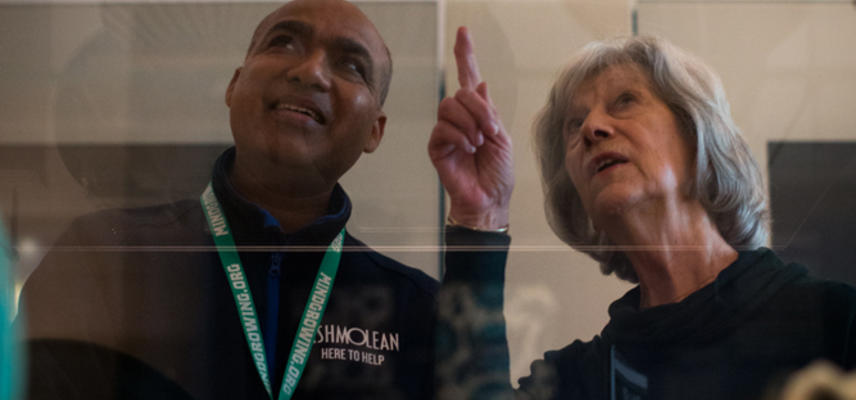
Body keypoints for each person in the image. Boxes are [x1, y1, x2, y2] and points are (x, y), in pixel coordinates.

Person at [18, 1, 437, 399]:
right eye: (284, 42)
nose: (310, 71)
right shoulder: (104, 253)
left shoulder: (417, 306)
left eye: (350, 65)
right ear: (234, 86)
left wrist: (480, 225)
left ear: (374, 132)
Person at [429, 30, 856, 400]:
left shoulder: (835, 322)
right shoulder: (580, 380)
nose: (592, 128)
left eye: (625, 100)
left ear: (696, 133)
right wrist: (479, 217)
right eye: (574, 124)